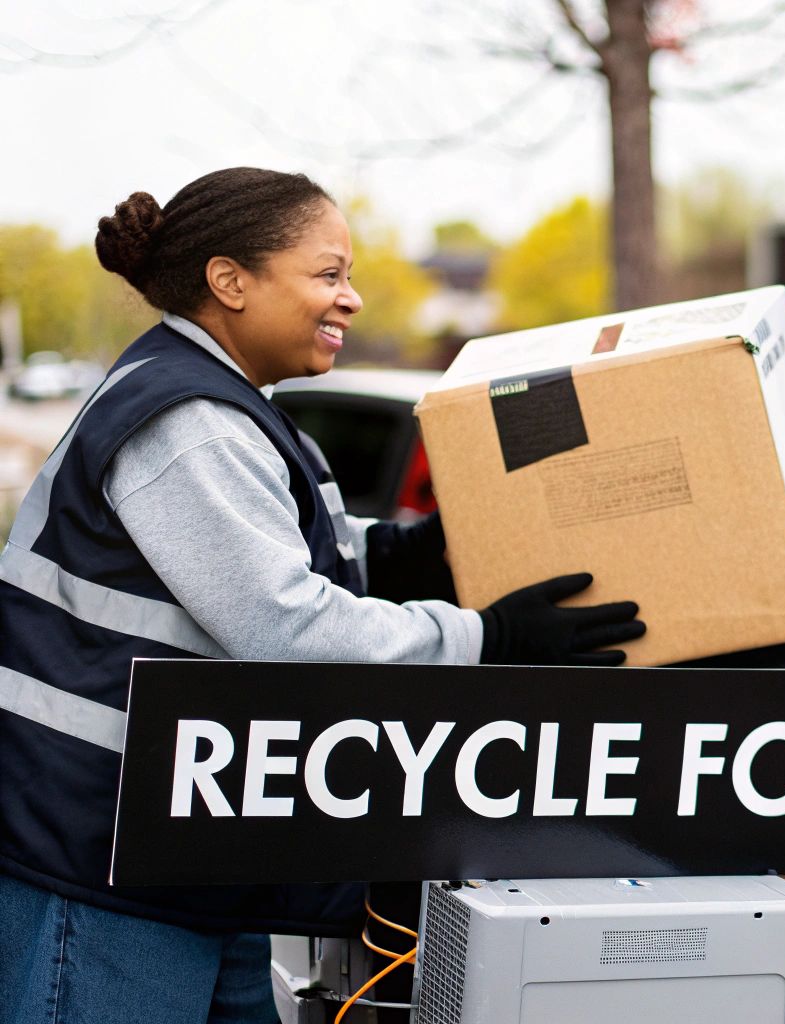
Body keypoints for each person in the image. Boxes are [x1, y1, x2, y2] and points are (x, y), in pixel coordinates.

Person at [0, 167, 645, 1024]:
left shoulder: (236, 407)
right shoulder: (186, 423)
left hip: (183, 851)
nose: (353, 299)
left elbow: (311, 565)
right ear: (230, 281)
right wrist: (484, 636)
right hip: (97, 861)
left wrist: (429, 553)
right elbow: (285, 626)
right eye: (327, 273)